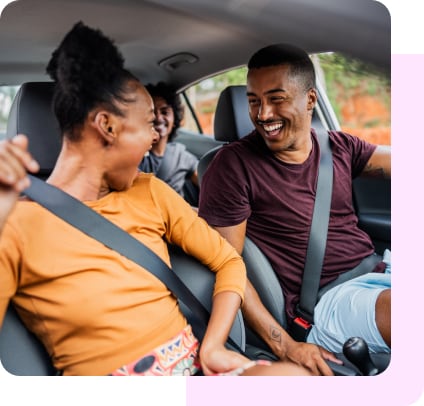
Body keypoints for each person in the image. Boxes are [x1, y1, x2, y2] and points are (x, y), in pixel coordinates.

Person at [0, 23, 314, 376]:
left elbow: (230, 261)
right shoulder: (14, 222)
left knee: (292, 378)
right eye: (149, 123)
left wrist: (212, 346)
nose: (155, 137)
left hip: (193, 369)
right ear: (107, 126)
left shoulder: (149, 190)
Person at [198, 43, 391, 364]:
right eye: (254, 101)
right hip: (328, 302)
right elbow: (227, 266)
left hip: (382, 267)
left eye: (276, 99)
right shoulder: (232, 166)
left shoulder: (338, 145)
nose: (263, 115)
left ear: (310, 100)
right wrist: (285, 345)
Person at [139, 82, 199, 205]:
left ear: (175, 119)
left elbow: (207, 185)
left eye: (165, 112)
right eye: (152, 112)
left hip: (178, 218)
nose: (158, 118)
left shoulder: (182, 156)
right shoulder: (134, 155)